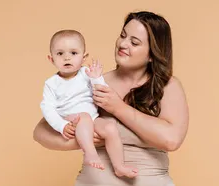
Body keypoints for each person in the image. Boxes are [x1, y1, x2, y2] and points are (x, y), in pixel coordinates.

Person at [33, 11, 189, 186]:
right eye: (122, 36)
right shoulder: (93, 82)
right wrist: (84, 137)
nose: (123, 44)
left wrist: (118, 108)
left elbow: (171, 140)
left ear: (152, 54)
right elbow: (40, 132)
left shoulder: (166, 86)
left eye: (134, 42)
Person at [40, 29, 139, 178]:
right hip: (70, 118)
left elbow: (101, 91)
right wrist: (61, 126)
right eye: (60, 54)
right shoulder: (51, 83)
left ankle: (119, 166)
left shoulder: (86, 73)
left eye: (73, 53)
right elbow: (47, 108)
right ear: (51, 59)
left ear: (83, 57)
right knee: (84, 117)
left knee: (110, 127)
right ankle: (90, 154)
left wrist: (96, 78)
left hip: (92, 117)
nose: (67, 58)